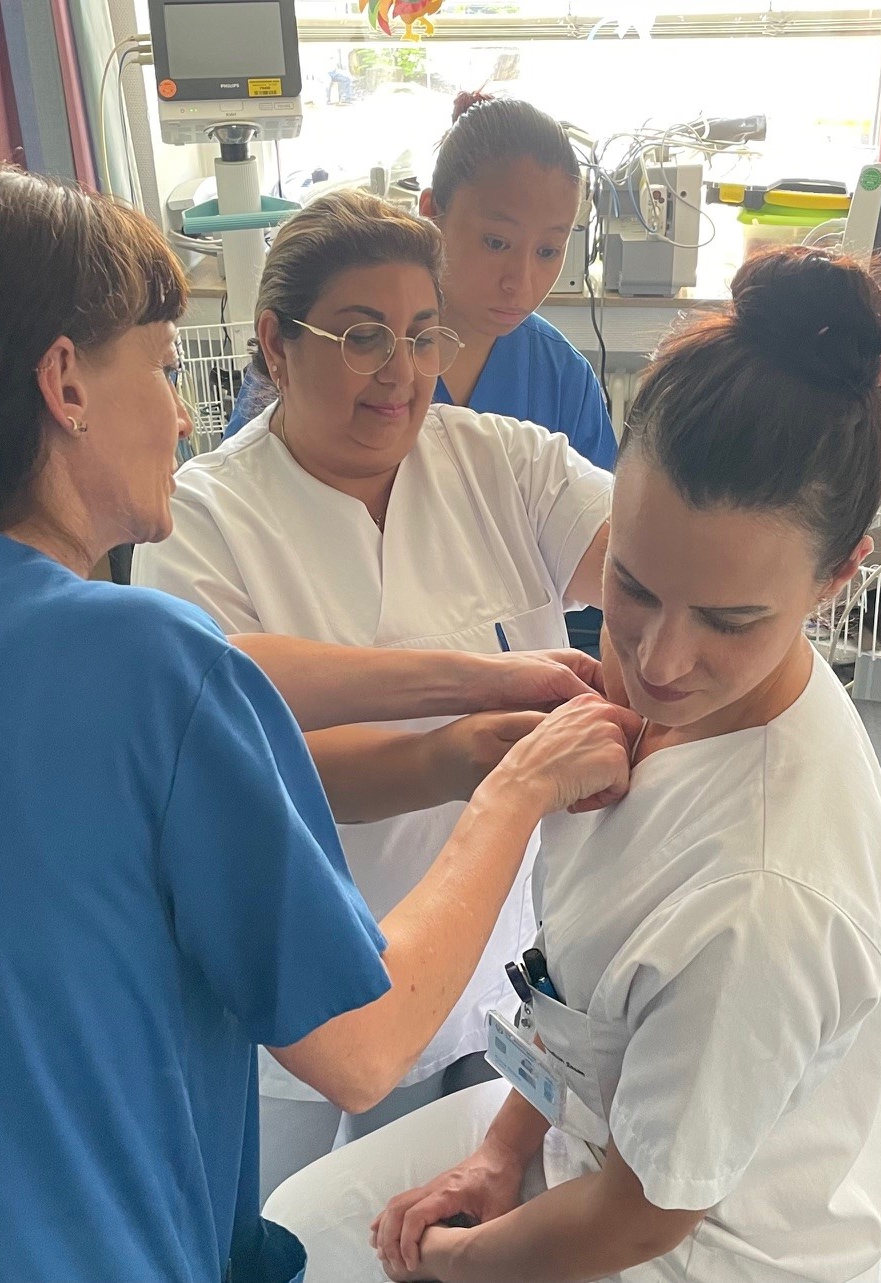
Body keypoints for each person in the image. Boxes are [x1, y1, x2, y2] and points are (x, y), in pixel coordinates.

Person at [0, 167, 641, 1283]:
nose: (184, 408)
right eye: (159, 366)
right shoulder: (150, 649)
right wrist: (511, 780)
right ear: (66, 382)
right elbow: (361, 1042)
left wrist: (464, 690)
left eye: (420, 334)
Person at [261, 247, 881, 1283]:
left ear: (836, 578)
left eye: (729, 621)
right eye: (633, 585)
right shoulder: (651, 705)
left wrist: (450, 1266)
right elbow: (582, 1001)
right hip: (585, 1136)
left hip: (706, 1248)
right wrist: (497, 1150)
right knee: (302, 1223)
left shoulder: (766, 891)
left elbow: (638, 1218)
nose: (656, 660)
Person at [131, 186, 615, 1197]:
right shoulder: (201, 520)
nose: (399, 372)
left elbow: (651, 562)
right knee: (275, 1222)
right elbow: (258, 768)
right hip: (300, 999)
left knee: (455, 1215)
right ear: (274, 342)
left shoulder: (501, 463)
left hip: (497, 967)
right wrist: (454, 752)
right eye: (360, 336)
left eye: (422, 334)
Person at [223, 93, 615, 471]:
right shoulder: (316, 352)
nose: (522, 283)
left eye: (548, 251)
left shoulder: (563, 380)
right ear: (432, 213)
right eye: (496, 243)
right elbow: (246, 484)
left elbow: (601, 520)